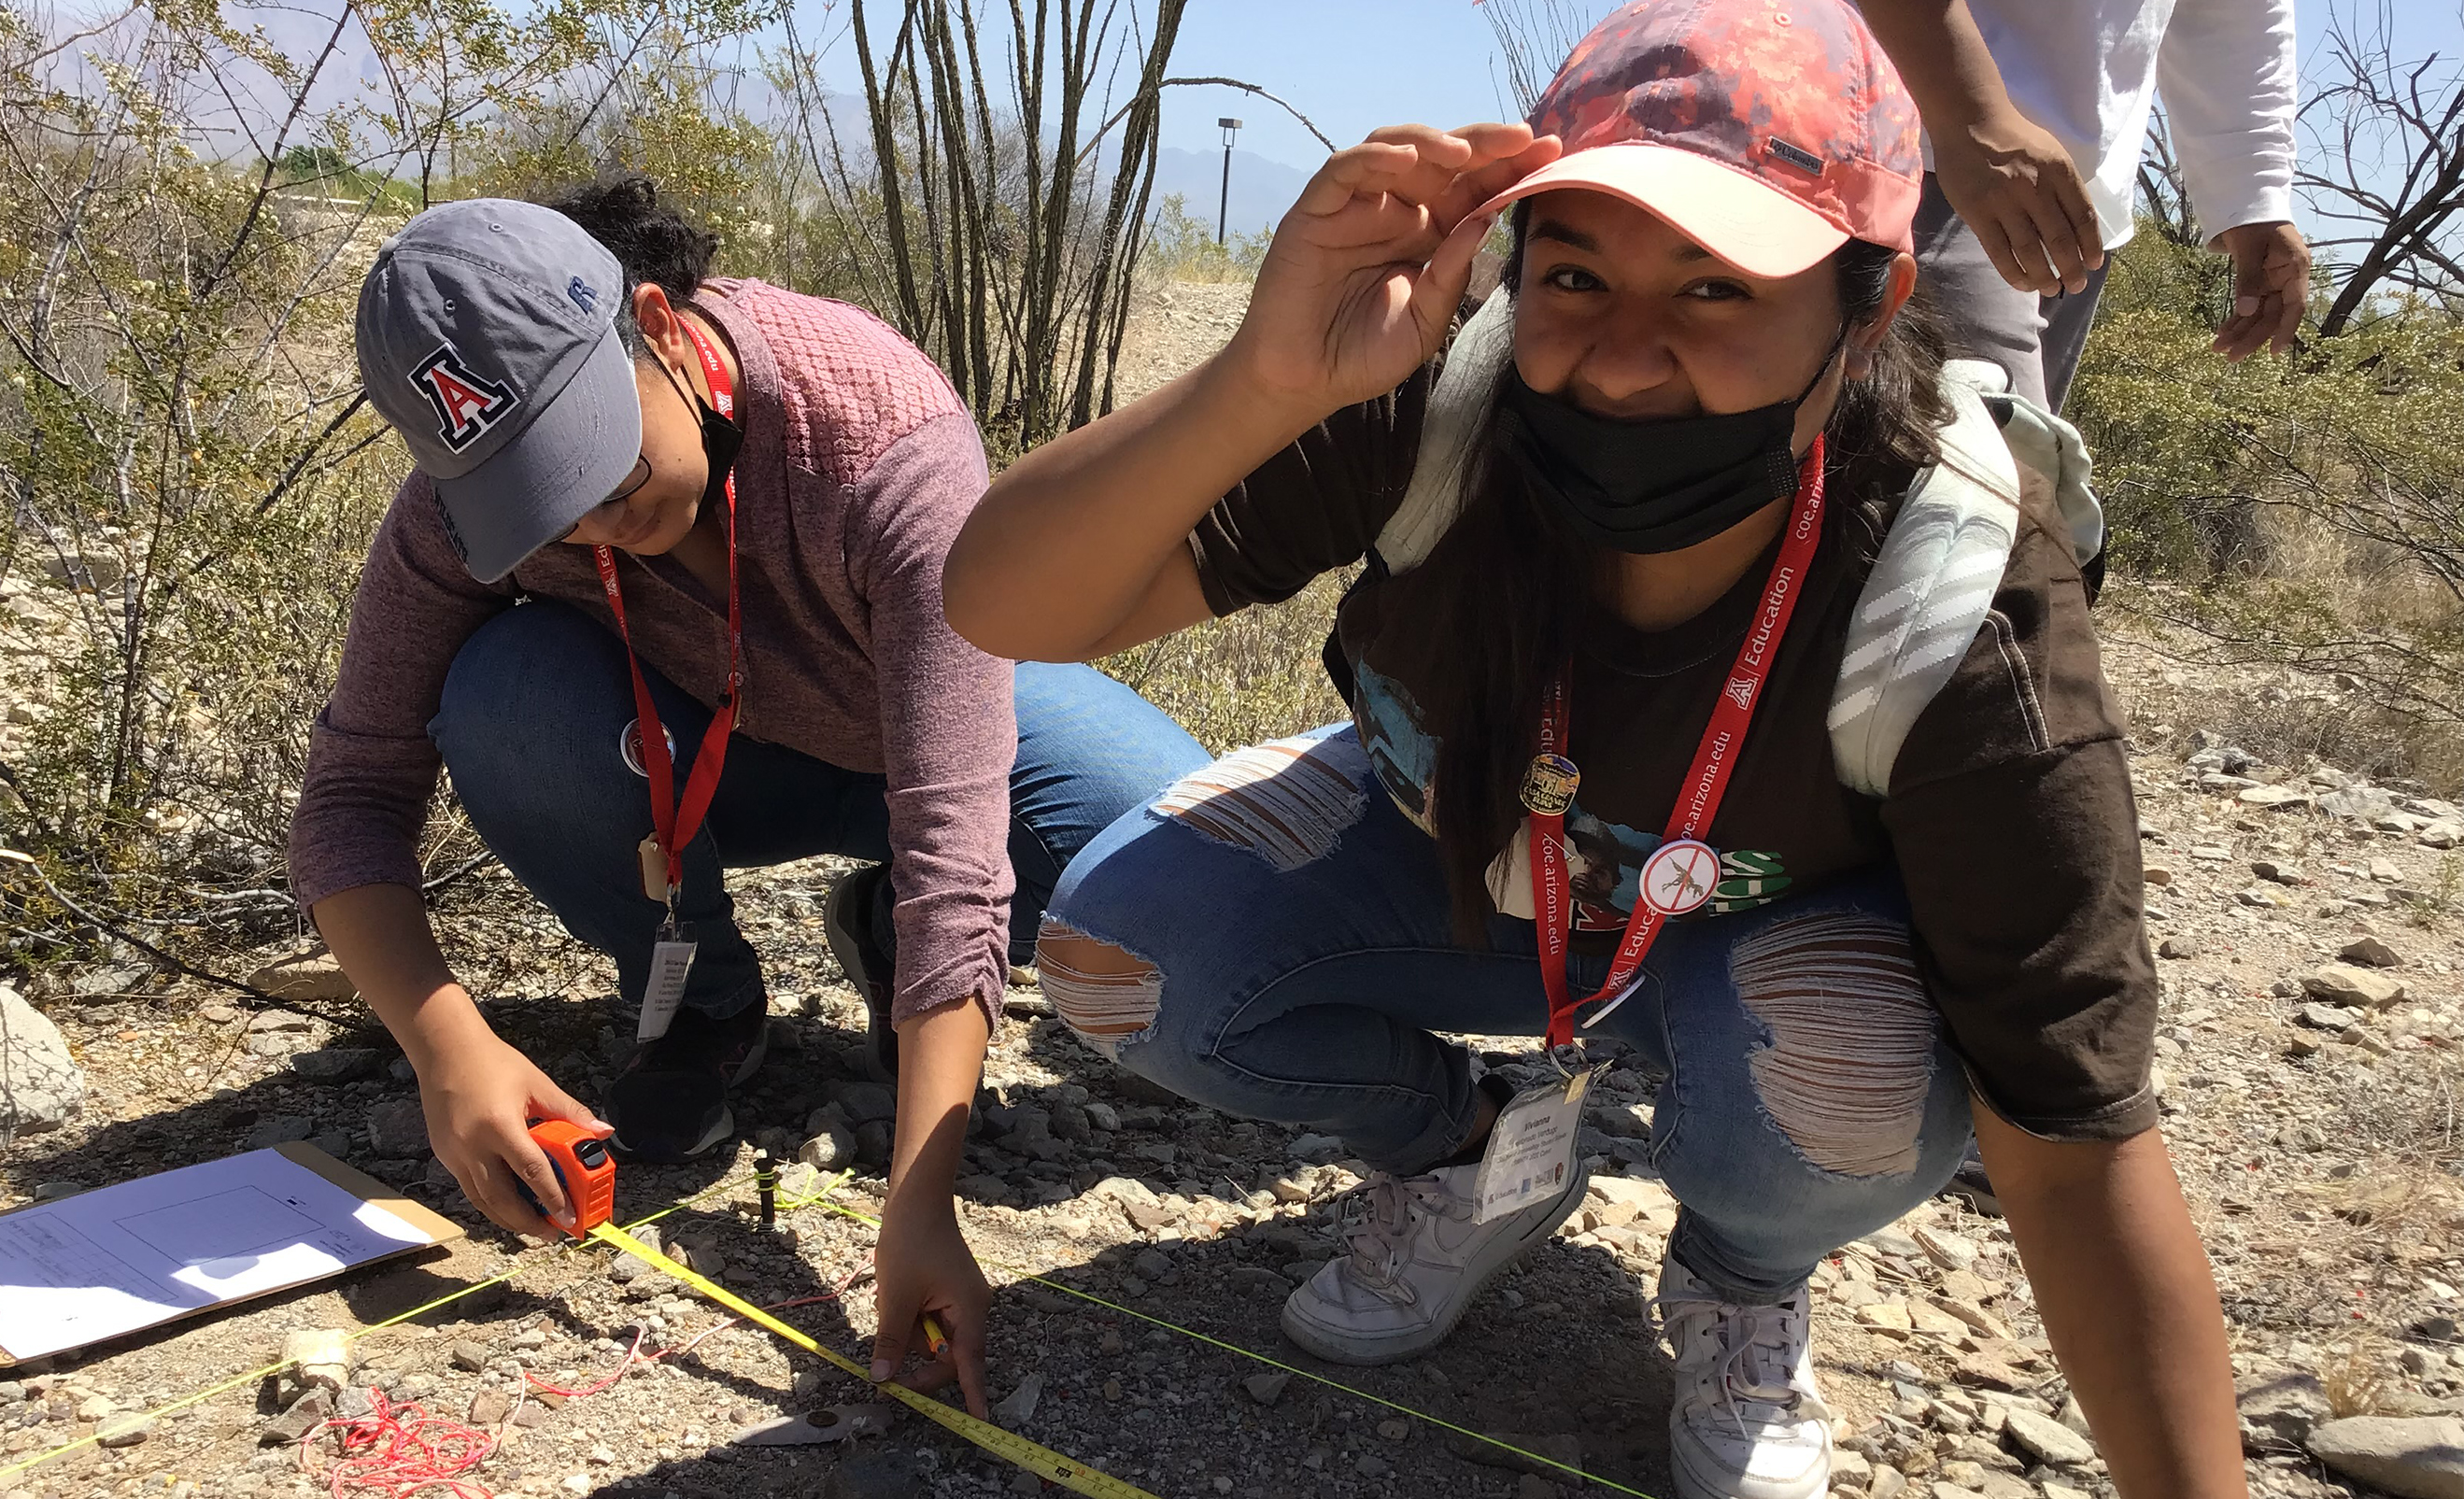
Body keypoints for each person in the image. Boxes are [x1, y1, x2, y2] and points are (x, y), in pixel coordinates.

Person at [938, 1, 2248, 1495]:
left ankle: (1743, 1280)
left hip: (1748, 947)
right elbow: (1002, 601)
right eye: (1572, 272)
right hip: (1474, 870)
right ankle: (1468, 1157)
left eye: (1714, 288)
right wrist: (1264, 380)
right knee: (1128, 953)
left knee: (1850, 1086)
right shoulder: (1442, 396)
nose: (1624, 363)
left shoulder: (1950, 579)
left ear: (1863, 311)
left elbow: (2071, 1130)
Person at [291, 177, 1205, 1415]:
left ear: (658, 328)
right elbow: (352, 791)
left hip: (931, 721)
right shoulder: (454, 518)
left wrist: (915, 1202)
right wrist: (445, 1049)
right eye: (539, 509)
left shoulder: (870, 431)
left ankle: (885, 941)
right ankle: (704, 1000)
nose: (595, 533)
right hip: (707, 756)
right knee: (505, 694)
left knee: (1170, 858)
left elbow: (952, 823)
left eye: (599, 470)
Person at [1859, 0, 2310, 415]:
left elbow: (2235, 17)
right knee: (1999, 478)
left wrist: (2255, 197)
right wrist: (1969, 112)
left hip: (2081, 207)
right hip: (1914, 147)